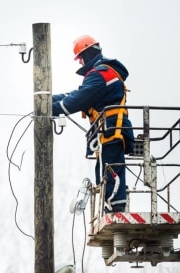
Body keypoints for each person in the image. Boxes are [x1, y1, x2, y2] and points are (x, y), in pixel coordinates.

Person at [52, 35, 134, 213]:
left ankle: (114, 208)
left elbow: (78, 100)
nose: (80, 62)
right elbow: (77, 94)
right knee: (108, 168)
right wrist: (48, 100)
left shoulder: (100, 74)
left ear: (87, 54)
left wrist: (51, 109)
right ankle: (113, 205)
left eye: (80, 58)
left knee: (109, 170)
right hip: (112, 128)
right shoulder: (103, 72)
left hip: (110, 128)